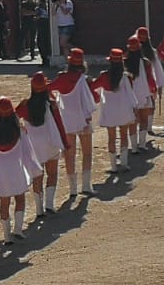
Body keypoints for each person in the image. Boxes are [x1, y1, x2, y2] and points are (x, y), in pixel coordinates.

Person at [14, 73, 67, 216]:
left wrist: (21, 128)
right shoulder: (51, 103)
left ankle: (39, 209)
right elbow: (59, 124)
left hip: (33, 146)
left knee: (38, 176)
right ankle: (49, 204)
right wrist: (65, 142)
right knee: (52, 174)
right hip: (51, 142)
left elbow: (12, 118)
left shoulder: (25, 104)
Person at [50, 48, 100, 198]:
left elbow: (47, 89)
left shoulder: (62, 78)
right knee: (87, 153)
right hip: (83, 120)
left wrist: (54, 102)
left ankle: (73, 189)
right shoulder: (86, 80)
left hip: (67, 121)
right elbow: (95, 99)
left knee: (69, 155)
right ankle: (86, 185)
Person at [0, 97, 31, 244]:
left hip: (0, 169)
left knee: (4, 203)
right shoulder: (18, 129)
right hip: (16, 167)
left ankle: (6, 236)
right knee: (20, 198)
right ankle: (18, 229)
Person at [91, 48, 138, 173]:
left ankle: (113, 166)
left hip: (109, 110)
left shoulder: (104, 76)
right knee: (123, 136)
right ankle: (124, 163)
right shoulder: (127, 77)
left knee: (111, 138)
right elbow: (131, 93)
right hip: (124, 109)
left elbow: (92, 87)